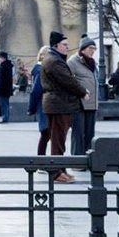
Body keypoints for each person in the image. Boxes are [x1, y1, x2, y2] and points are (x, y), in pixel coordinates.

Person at [39, 32, 85, 183]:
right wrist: (83, 92)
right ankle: (56, 173)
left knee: (59, 140)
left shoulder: (54, 59)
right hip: (59, 104)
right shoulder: (54, 61)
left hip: (59, 103)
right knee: (58, 140)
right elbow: (68, 81)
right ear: (56, 46)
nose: (67, 47)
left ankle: (61, 169)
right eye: (64, 45)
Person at [69, 38, 99, 154]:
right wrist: (80, 93)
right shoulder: (72, 62)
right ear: (82, 49)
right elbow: (69, 82)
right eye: (90, 48)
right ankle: (76, 160)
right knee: (78, 133)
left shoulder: (92, 63)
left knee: (90, 134)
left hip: (92, 103)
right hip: (79, 103)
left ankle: (88, 158)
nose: (93, 51)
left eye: (94, 48)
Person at [0, 52, 15, 121]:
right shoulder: (7, 66)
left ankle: (5, 118)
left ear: (3, 58)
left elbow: (2, 80)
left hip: (3, 90)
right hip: (6, 89)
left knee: (4, 104)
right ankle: (6, 117)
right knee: (5, 104)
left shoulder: (4, 66)